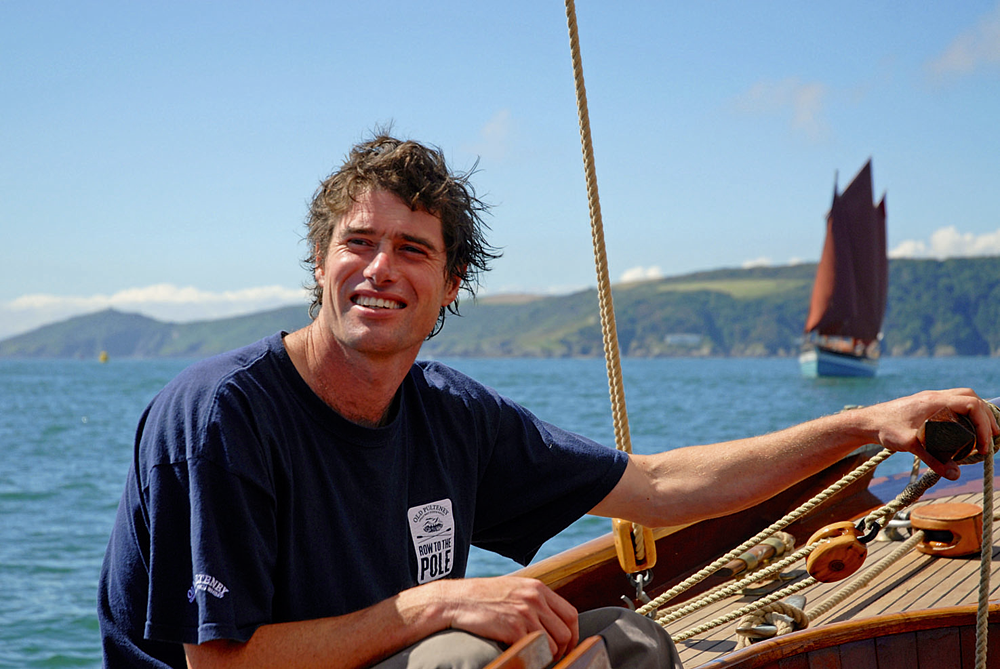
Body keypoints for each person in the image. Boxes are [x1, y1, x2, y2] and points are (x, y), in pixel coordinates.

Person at [98, 132, 1000, 669]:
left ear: (451, 284)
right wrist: (433, 605)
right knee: (468, 653)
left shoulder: (448, 412)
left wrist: (863, 425)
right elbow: (220, 663)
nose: (379, 269)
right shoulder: (222, 418)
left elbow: (654, 487)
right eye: (357, 242)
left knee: (634, 643)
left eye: (412, 250)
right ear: (321, 262)